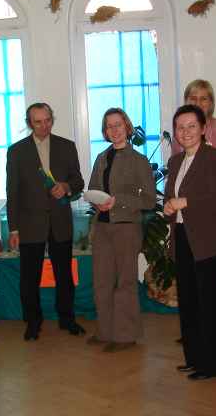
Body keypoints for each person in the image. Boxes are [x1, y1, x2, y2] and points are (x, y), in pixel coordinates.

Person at [6, 102, 85, 341]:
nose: (44, 126)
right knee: (29, 278)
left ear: (52, 119)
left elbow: (78, 181)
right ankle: (33, 322)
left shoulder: (67, 146)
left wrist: (66, 186)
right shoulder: (17, 151)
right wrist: (14, 229)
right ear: (29, 123)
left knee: (64, 275)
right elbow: (13, 193)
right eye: (38, 122)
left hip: (60, 221)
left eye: (48, 120)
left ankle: (67, 319)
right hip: (30, 224)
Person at [163, 105, 216, 379]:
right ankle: (194, 359)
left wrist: (185, 202)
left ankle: (213, 366)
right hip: (183, 237)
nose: (185, 132)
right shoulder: (175, 162)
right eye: (180, 127)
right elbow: (171, 196)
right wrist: (169, 206)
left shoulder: (214, 157)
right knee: (189, 303)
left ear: (203, 128)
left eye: (191, 126)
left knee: (210, 306)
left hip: (209, 241)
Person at [87, 108, 156, 352]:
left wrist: (119, 201)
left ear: (127, 127)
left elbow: (149, 200)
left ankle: (125, 336)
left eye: (118, 125)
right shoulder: (101, 158)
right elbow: (93, 188)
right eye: (109, 126)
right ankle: (105, 331)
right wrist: (97, 201)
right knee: (101, 282)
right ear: (105, 131)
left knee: (125, 282)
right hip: (102, 227)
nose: (114, 130)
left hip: (126, 228)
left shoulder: (139, 161)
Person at [172, 79, 216, 173]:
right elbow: (175, 168)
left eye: (203, 99)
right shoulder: (179, 131)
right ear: (186, 101)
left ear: (211, 103)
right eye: (193, 98)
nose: (198, 103)